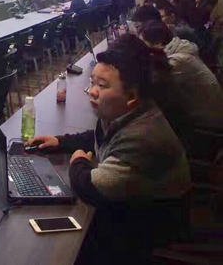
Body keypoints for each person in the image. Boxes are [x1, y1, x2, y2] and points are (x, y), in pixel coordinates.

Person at [26, 34, 190, 264]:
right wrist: (61, 141)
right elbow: (97, 137)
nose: (93, 91)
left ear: (131, 96)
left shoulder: (142, 137)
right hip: (131, 208)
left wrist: (78, 161)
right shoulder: (125, 113)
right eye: (92, 82)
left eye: (102, 86)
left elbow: (93, 188)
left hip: (147, 230)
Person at [138, 21, 223, 145]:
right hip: (211, 115)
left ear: (158, 44)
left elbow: (152, 85)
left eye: (143, 45)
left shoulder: (177, 61)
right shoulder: (182, 48)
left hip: (210, 126)